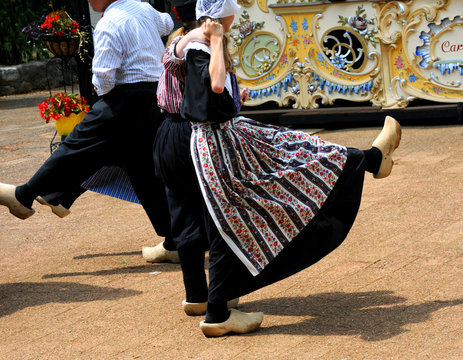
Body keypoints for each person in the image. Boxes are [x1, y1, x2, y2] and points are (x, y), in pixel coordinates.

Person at [177, 0, 402, 337]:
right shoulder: (201, 46)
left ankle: (369, 159)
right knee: (245, 209)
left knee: (289, 155)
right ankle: (217, 311)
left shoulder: (192, 41)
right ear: (222, 14)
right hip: (215, 142)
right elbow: (216, 87)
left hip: (220, 138)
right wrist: (217, 40)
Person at [0, 0, 175, 258]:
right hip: (155, 98)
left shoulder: (109, 22)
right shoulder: (144, 9)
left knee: (76, 144)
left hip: (124, 98)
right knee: (141, 170)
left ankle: (25, 195)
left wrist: (105, 101)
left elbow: (103, 76)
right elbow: (168, 23)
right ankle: (177, 240)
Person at [153, 0, 238, 315]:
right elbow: (214, 85)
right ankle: (216, 299)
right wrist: (209, 39)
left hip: (171, 133)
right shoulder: (196, 44)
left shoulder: (182, 41)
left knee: (185, 215)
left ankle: (196, 294)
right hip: (190, 135)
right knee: (214, 215)